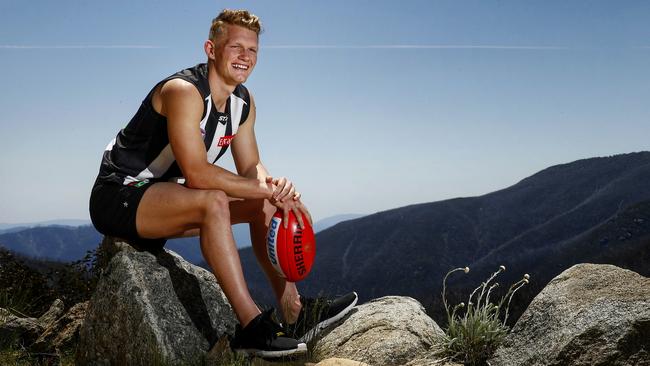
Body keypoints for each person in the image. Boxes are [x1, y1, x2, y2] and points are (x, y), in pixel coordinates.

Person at [89, 9, 357, 358]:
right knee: (213, 199)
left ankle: (295, 311)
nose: (245, 56)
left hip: (166, 200)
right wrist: (260, 187)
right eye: (235, 47)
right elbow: (198, 173)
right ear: (211, 49)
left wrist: (274, 188)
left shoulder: (243, 103)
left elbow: (251, 167)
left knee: (267, 203)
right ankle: (251, 327)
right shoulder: (183, 91)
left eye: (252, 50)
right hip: (119, 195)